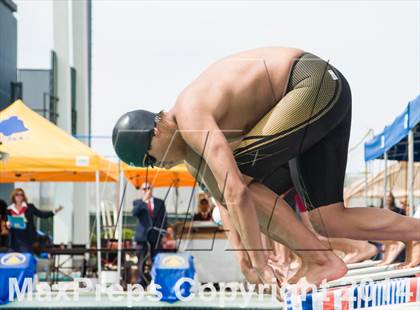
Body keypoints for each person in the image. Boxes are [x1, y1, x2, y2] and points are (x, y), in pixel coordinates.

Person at [113, 47, 420, 288]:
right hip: (316, 100)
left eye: (151, 159)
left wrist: (260, 262)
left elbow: (237, 192)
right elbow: (230, 209)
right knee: (329, 220)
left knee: (237, 180)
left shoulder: (191, 115)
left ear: (155, 131)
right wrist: (246, 261)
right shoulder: (192, 156)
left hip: (311, 83)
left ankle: (321, 260)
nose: (160, 165)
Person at [132, 183, 168, 286]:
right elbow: (134, 213)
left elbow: (164, 219)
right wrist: (143, 200)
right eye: (144, 189)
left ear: (152, 189)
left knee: (157, 258)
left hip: (156, 235)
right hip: (142, 236)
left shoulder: (160, 202)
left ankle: (157, 281)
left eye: (148, 188)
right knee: (141, 260)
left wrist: (163, 234)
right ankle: (141, 282)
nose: (147, 191)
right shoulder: (138, 202)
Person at [7, 188, 62, 253]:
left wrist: (53, 212)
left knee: (27, 259)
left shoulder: (30, 207)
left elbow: (42, 214)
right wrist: (8, 225)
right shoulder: (9, 209)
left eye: (21, 195)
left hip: (27, 239)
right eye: (17, 194)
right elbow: (6, 223)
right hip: (15, 240)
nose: (19, 196)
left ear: (23, 197)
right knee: (14, 260)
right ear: (13, 196)